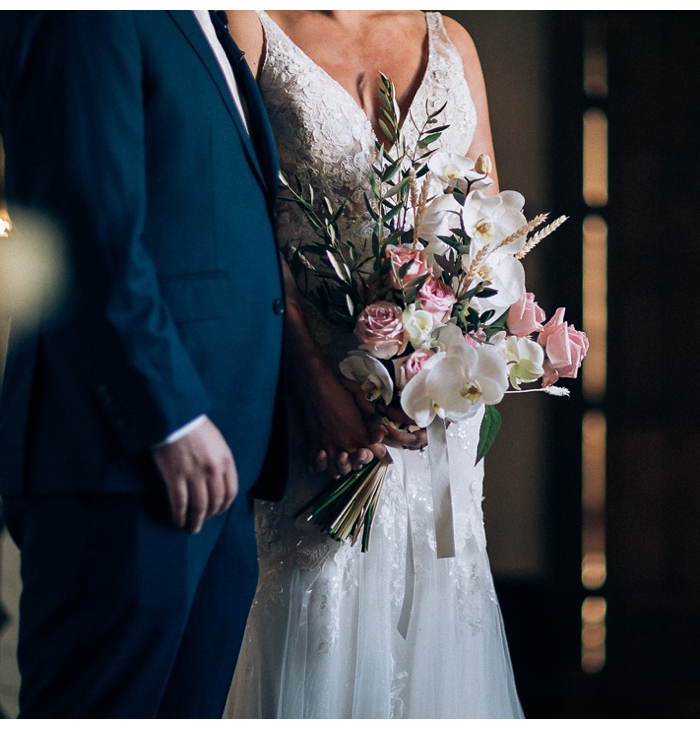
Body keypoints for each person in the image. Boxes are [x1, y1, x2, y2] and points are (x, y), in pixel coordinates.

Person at [222, 10, 524, 718]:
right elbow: (241, 215)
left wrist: (467, 345)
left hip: (434, 424)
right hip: (318, 420)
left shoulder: (452, 41)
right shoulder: (251, 24)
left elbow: (492, 233)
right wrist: (310, 374)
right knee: (316, 631)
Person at [0, 11, 287, 718]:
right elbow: (81, 222)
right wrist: (169, 415)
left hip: (221, 462)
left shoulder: (204, 20)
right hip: (127, 455)